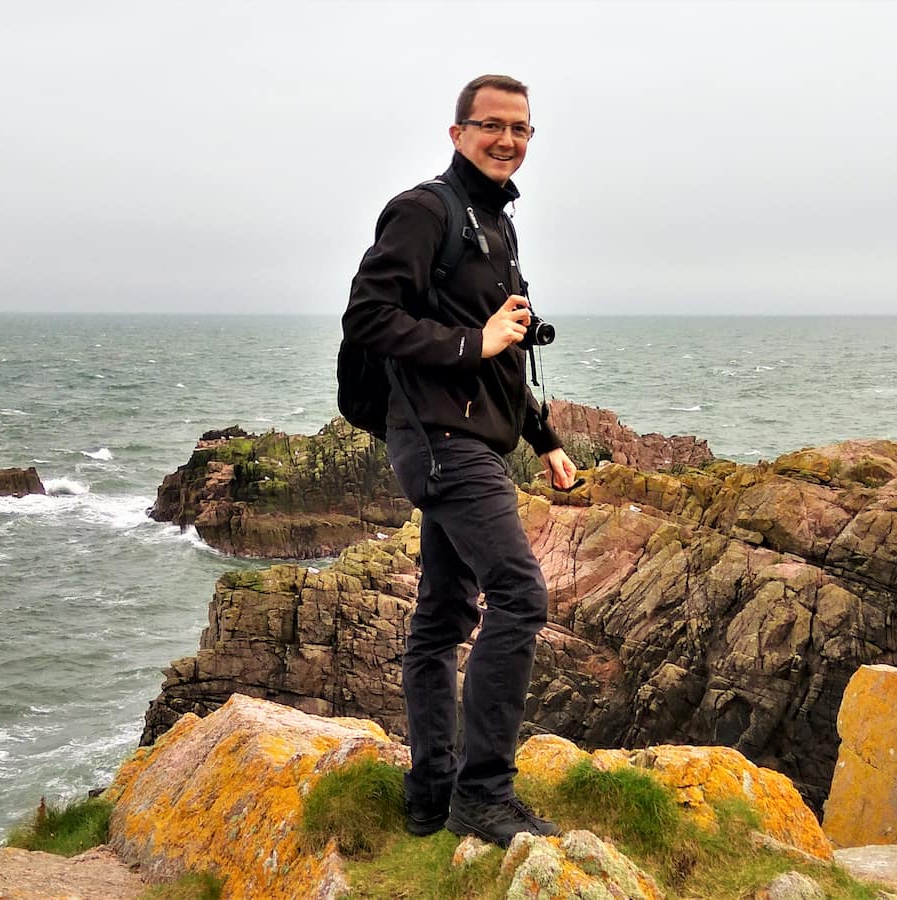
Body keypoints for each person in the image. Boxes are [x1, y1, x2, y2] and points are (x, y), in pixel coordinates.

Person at [342, 74, 577, 848]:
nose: (507, 139)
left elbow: (501, 350)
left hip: (472, 437)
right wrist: (469, 343)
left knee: (442, 618)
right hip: (435, 439)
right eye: (491, 126)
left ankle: (430, 792)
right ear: (457, 133)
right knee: (521, 594)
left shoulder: (495, 226)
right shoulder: (425, 210)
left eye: (521, 128)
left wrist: (543, 439)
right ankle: (485, 793)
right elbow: (369, 315)